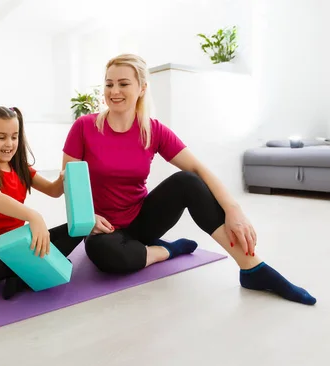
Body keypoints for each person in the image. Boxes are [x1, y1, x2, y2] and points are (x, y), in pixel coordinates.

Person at [61, 53, 316, 306]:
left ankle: (251, 268)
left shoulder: (153, 129)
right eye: (109, 84)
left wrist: (233, 210)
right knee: (109, 259)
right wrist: (89, 217)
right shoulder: (84, 127)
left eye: (123, 83)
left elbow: (198, 168)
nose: (114, 91)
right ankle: (168, 250)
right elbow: (69, 184)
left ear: (141, 88)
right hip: (103, 228)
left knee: (187, 181)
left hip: (142, 220)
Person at [0, 106, 83, 300]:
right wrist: (34, 216)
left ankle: (22, 275)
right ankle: (35, 271)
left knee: (78, 230)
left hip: (22, 243)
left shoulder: (21, 169)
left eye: (14, 137)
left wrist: (64, 178)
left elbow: (53, 191)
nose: (10, 143)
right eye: (1, 137)